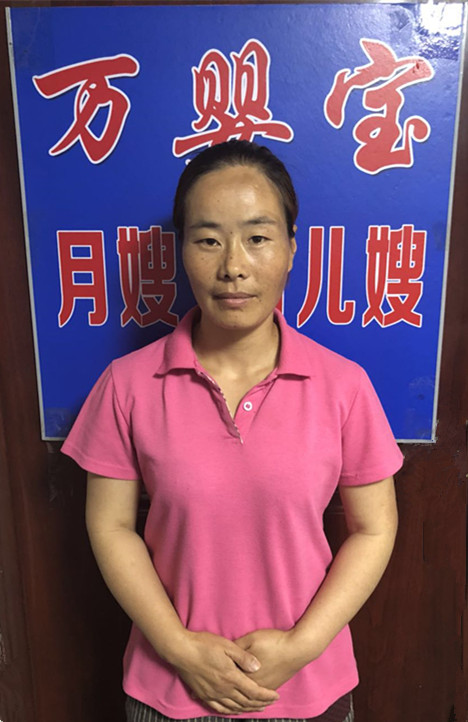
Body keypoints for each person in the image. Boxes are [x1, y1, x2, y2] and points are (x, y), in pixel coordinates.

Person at [62, 140, 404, 722]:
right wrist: (178, 648)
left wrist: (299, 648)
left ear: (292, 248)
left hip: (306, 689)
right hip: (169, 690)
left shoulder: (344, 385)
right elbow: (111, 525)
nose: (233, 267)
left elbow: (375, 529)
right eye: (208, 240)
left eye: (258, 237)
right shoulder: (127, 384)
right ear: (181, 251)